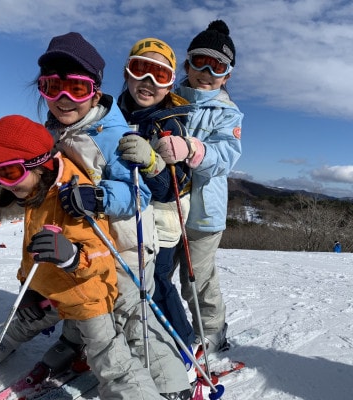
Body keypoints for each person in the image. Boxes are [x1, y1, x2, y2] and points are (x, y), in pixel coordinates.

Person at [0, 114, 161, 399]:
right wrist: (27, 288)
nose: (2, 183)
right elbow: (31, 252)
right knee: (17, 325)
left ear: (38, 165)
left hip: (87, 295)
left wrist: (72, 257)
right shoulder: (34, 193)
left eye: (10, 173)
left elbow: (104, 256)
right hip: (50, 291)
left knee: (110, 360)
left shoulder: (73, 195)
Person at [35, 32, 192, 399]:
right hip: (89, 244)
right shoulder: (57, 129)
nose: (63, 98)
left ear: (94, 89)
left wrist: (99, 196)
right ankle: (78, 345)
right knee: (85, 300)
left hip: (127, 244)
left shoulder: (110, 132)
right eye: (52, 86)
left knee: (133, 318)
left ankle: (172, 384)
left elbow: (139, 195)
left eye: (75, 88)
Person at [155, 20, 243, 356]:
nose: (206, 71)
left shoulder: (228, 113)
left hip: (203, 214)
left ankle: (211, 332)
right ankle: (158, 325)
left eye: (217, 65)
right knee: (158, 273)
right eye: (199, 62)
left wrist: (192, 149)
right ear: (186, 64)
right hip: (165, 207)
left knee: (197, 279)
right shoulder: (169, 99)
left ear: (227, 75)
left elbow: (225, 157)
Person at [117, 37, 195, 351]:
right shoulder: (115, 114)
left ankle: (183, 345)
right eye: (141, 69)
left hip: (162, 220)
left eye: (160, 75)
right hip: (126, 215)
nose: (148, 81)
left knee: (158, 282)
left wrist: (153, 162)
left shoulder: (169, 124)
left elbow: (167, 191)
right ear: (127, 72)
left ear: (169, 85)